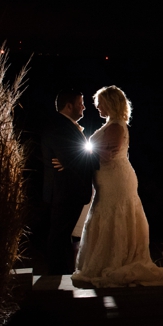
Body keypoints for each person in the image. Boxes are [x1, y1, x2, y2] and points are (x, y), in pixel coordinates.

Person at [70, 86, 163, 287]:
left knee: (114, 214)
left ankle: (116, 261)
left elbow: (108, 154)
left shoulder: (117, 126)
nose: (98, 107)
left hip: (116, 181)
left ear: (111, 102)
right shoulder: (110, 124)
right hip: (107, 180)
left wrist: (78, 157)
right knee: (104, 214)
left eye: (100, 103)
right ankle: (107, 260)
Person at [41, 90, 98, 275]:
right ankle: (56, 276)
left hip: (67, 192)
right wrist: (87, 157)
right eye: (80, 102)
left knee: (62, 236)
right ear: (69, 105)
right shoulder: (60, 126)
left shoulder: (66, 125)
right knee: (58, 236)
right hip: (64, 192)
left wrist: (72, 160)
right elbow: (73, 156)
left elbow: (73, 157)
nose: (84, 106)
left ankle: (61, 275)